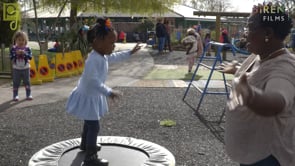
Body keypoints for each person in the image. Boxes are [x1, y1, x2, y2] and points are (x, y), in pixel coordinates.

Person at [220, 3, 295, 166]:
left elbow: (276, 101)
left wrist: (248, 93)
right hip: (254, 152)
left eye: (249, 28)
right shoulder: (262, 56)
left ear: (267, 33)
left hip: (268, 158)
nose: (244, 35)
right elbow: (259, 75)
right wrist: (238, 70)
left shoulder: (284, 68)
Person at [65, 17, 141, 166]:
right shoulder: (94, 60)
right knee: (94, 125)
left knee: (89, 122)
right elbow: (94, 82)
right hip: (89, 94)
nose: (113, 46)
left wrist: (129, 53)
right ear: (96, 42)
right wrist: (109, 92)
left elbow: (114, 56)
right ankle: (90, 157)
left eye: (114, 43)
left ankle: (85, 145)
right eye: (111, 43)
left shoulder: (101, 55)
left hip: (91, 95)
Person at [10, 31, 33, 101]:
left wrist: (24, 53)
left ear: (25, 40)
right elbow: (11, 57)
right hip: (16, 68)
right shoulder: (13, 49)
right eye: (19, 40)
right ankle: (15, 95)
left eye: (23, 40)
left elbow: (30, 57)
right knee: (16, 82)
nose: (21, 42)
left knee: (27, 81)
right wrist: (16, 54)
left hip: (26, 68)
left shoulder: (28, 48)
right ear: (16, 40)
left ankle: (28, 94)